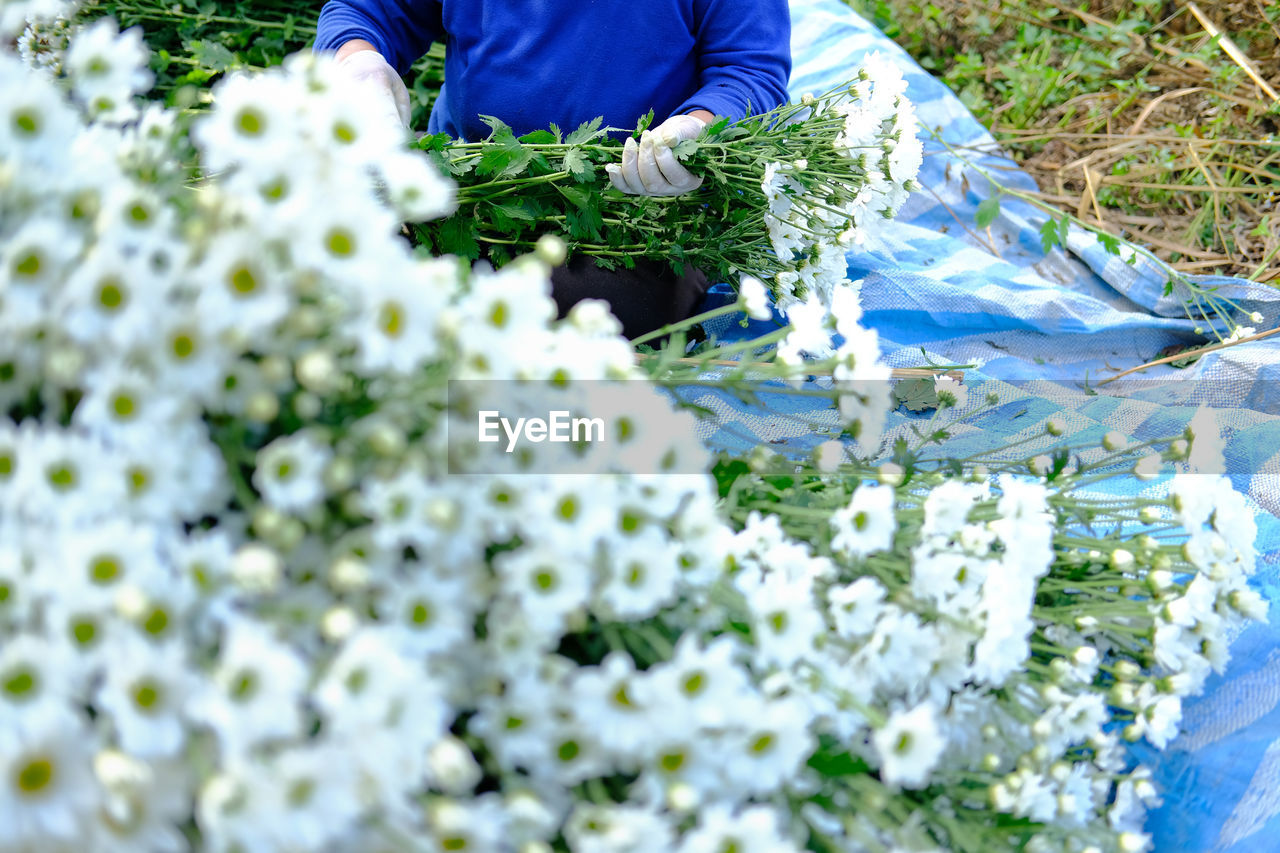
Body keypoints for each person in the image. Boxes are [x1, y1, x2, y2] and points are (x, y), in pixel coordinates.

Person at [314, 1, 791, 339]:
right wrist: (358, 61)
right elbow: (366, 10)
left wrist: (697, 131)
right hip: (466, 184)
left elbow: (750, 71)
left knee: (591, 312)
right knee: (327, 252)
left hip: (633, 215)